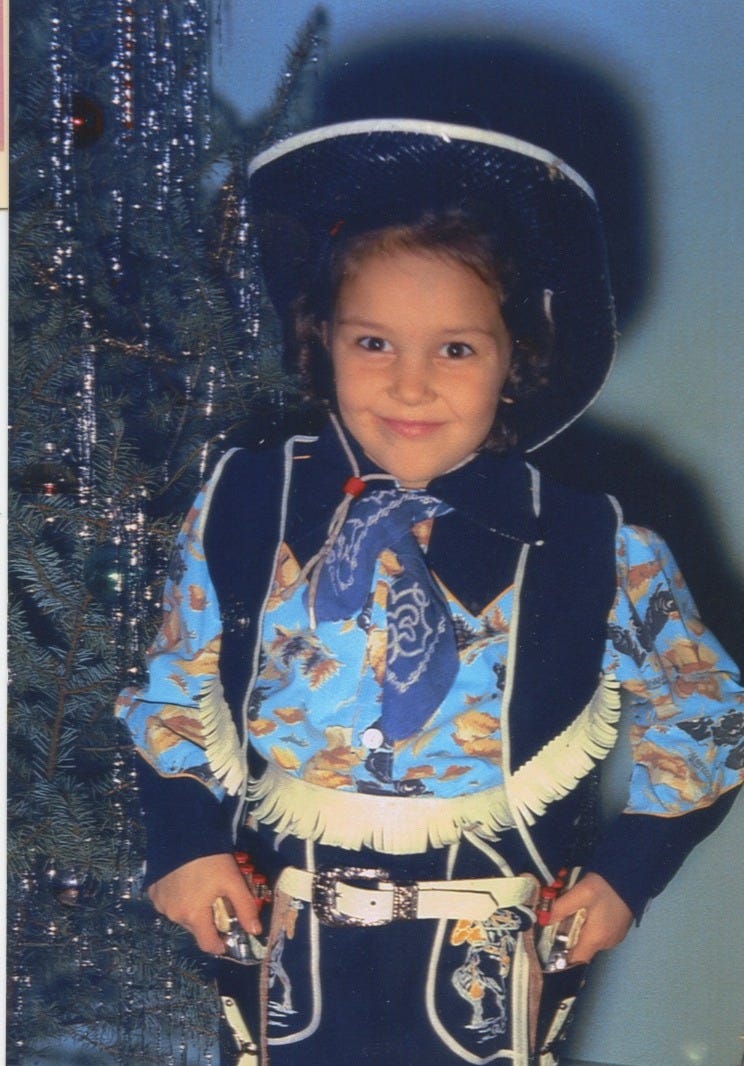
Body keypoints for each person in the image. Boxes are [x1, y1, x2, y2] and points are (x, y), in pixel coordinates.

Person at [115, 119, 743, 1066]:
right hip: (284, 952)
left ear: (516, 355)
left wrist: (627, 875)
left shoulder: (594, 543)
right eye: (374, 341)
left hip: (486, 961)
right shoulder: (247, 500)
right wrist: (183, 845)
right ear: (321, 337)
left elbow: (705, 710)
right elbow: (172, 681)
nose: (409, 384)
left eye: (455, 349)